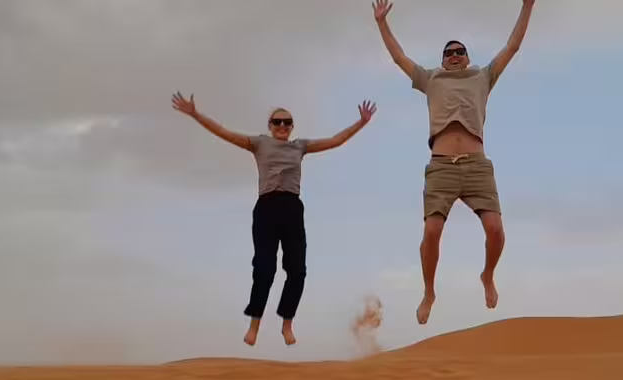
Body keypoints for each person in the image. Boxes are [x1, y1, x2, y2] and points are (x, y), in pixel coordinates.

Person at [372, 0, 535, 324]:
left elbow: (513, 46)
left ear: (467, 57)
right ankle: (429, 292)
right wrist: (381, 23)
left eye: (460, 51)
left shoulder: (483, 76)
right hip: (442, 165)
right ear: (443, 59)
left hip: (476, 164)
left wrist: (527, 6)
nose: (455, 55)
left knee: (496, 231)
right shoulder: (431, 78)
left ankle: (487, 276)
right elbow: (398, 57)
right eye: (449, 52)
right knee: (432, 231)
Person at [171, 92, 377, 345]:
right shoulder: (259, 144)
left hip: (292, 208)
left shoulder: (299, 146)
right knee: (264, 269)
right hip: (267, 207)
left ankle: (287, 324)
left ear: (292, 127)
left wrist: (361, 123)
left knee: (297, 270)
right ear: (269, 126)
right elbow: (224, 133)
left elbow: (335, 140)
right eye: (277, 122)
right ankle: (254, 324)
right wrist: (195, 114)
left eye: (286, 122)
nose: (282, 126)